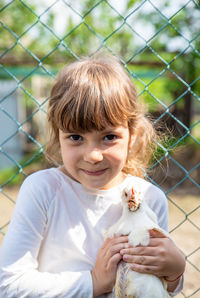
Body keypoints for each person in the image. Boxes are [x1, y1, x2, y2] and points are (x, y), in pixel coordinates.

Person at [0, 55, 185, 297]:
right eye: (76, 137)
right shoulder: (43, 190)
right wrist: (94, 282)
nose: (93, 155)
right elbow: (8, 285)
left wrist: (174, 274)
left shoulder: (148, 197)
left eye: (109, 137)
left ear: (133, 135)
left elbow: (150, 285)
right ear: (58, 137)